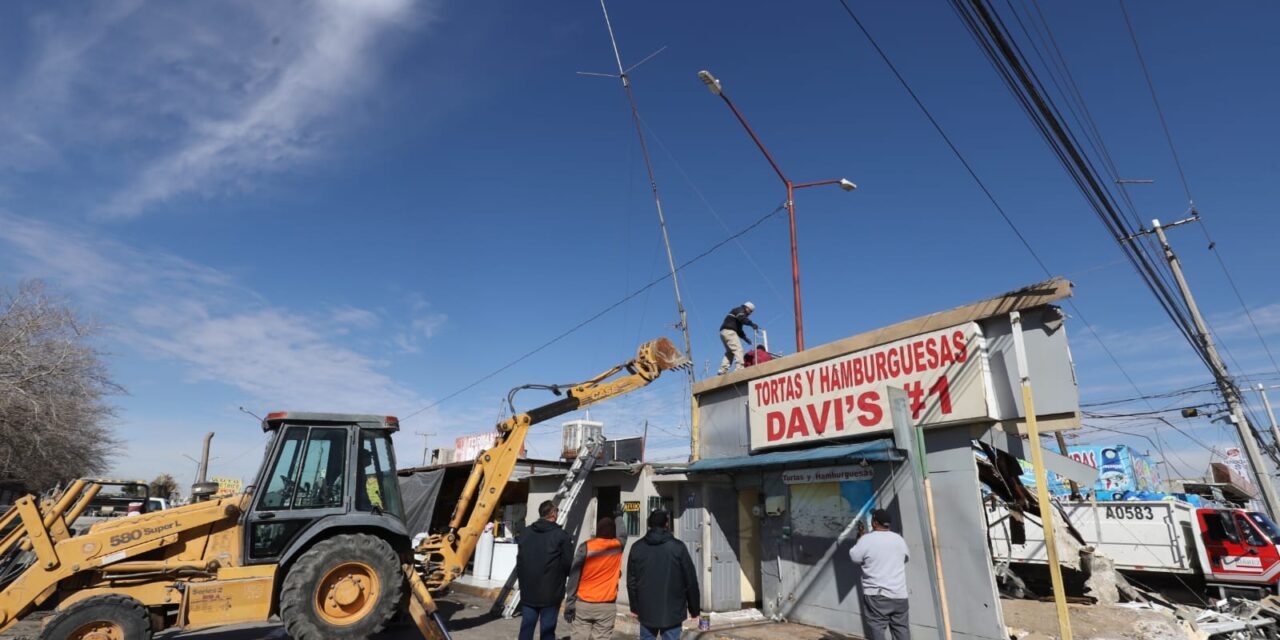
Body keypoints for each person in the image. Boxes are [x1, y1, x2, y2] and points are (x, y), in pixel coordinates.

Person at [627, 510, 699, 640]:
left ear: (649, 524)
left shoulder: (637, 547)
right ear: (667, 524)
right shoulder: (678, 547)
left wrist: (634, 607)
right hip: (673, 610)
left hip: (646, 610)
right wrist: (694, 610)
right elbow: (690, 580)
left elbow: (631, 582)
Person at [848, 509, 910, 640]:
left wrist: (860, 539)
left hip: (877, 595)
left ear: (874, 522)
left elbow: (854, 557)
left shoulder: (866, 540)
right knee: (901, 630)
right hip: (900, 594)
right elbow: (905, 558)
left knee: (877, 629)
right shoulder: (899, 539)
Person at [517, 500, 574, 640]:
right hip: (551, 591)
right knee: (547, 630)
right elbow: (569, 564)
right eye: (557, 511)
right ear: (553, 514)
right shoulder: (561, 535)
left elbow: (520, 560)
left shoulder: (525, 532)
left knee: (527, 626)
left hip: (528, 590)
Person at [564, 516, 629, 640]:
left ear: (597, 531)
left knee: (578, 636)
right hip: (606, 606)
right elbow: (623, 535)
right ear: (612, 532)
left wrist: (570, 603)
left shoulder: (585, 546)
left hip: (583, 604)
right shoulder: (617, 546)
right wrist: (619, 517)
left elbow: (574, 576)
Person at [717, 301, 758, 375]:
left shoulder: (738, 313)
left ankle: (722, 370)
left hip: (724, 332)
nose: (750, 313)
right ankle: (739, 368)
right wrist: (752, 324)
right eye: (750, 311)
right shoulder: (740, 310)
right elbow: (742, 318)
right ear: (747, 308)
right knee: (738, 349)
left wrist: (745, 338)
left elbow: (739, 330)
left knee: (730, 352)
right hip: (729, 332)